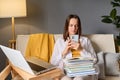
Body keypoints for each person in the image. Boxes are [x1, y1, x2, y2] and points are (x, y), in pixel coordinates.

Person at [50, 14, 97, 80]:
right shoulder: (60, 42)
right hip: (66, 72)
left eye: (76, 25)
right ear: (67, 27)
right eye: (71, 25)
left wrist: (81, 50)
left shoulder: (85, 40)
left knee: (79, 79)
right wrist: (64, 53)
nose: (74, 28)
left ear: (79, 27)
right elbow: (52, 62)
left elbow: (94, 60)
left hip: (82, 71)